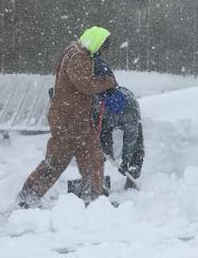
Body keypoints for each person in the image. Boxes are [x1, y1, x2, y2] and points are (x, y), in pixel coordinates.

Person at [17, 26, 120, 207]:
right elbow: (86, 85)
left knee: (92, 157)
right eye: (102, 49)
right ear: (97, 44)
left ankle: (94, 198)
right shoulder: (79, 57)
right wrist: (108, 81)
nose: (102, 53)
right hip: (67, 120)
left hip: (77, 118)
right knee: (57, 160)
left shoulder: (76, 50)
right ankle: (28, 195)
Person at [92, 55, 144, 190]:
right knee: (101, 147)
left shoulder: (130, 108)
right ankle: (98, 179)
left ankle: (133, 175)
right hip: (106, 119)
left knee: (137, 145)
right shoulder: (99, 102)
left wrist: (126, 160)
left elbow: (130, 138)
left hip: (128, 112)